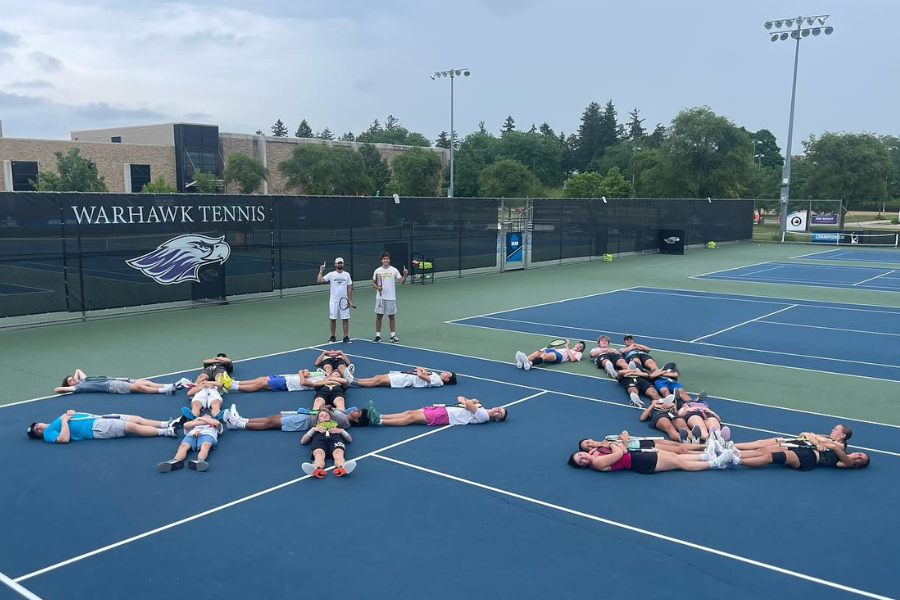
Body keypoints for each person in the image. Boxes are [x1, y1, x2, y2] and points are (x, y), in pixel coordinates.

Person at [568, 442, 730, 474]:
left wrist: (615, 446)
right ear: (583, 466)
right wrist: (613, 446)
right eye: (580, 460)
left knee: (674, 455)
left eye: (580, 455)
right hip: (639, 462)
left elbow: (621, 448)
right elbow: (619, 453)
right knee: (678, 462)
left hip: (637, 453)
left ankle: (705, 455)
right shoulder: (596, 462)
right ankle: (715, 463)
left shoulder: (596, 450)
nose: (582, 457)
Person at [27, 410, 178, 443]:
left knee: (136, 418)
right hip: (95, 427)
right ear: (39, 435)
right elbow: (63, 439)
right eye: (36, 431)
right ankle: (166, 431)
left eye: (36, 426)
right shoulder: (48, 434)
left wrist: (70, 413)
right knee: (131, 427)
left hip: (99, 417)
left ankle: (167, 423)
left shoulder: (54, 422)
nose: (38, 427)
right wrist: (65, 420)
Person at [729, 436, 869, 471]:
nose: (857, 456)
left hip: (808, 459)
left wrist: (821, 443)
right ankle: (732, 453)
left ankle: (735, 461)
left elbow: (835, 447)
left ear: (858, 464)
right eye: (860, 454)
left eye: (860, 458)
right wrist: (819, 442)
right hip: (804, 450)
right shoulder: (844, 454)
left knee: (768, 457)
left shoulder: (848, 463)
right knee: (763, 450)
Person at [222, 403, 369, 432]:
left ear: (356, 419)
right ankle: (241, 420)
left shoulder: (343, 420)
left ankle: (237, 424)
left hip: (304, 421)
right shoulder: (344, 415)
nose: (356, 410)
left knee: (270, 423)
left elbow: (324, 410)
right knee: (272, 417)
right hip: (305, 415)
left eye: (359, 413)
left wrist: (327, 408)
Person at [365, 396, 506, 426]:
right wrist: (468, 402)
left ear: (497, 418)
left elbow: (466, 401)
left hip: (445, 415)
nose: (499, 410)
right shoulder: (481, 408)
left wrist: (469, 402)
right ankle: (380, 415)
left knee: (411, 418)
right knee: (409, 412)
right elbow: (461, 398)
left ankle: (380, 421)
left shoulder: (484, 416)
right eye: (501, 409)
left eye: (500, 413)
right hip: (443, 409)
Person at [300, 407, 357, 478]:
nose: (324, 416)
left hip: (335, 440)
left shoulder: (337, 427)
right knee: (319, 454)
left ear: (330, 418)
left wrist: (342, 431)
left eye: (326, 415)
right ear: (318, 420)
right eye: (321, 415)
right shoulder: (315, 428)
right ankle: (316, 468)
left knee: (338, 453)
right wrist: (313, 430)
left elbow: (349, 439)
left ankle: (342, 467)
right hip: (319, 441)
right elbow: (303, 441)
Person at [157, 414, 224, 473]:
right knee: (183, 446)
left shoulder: (214, 425)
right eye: (203, 416)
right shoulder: (194, 425)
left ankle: (200, 461)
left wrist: (201, 418)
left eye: (208, 416)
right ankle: (176, 461)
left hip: (207, 435)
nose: (206, 415)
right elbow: (185, 425)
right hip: (192, 435)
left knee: (205, 445)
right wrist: (199, 421)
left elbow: (217, 423)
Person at [733, 424, 853, 452]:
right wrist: (815, 438)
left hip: (798, 447)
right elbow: (803, 433)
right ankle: (730, 446)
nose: (832, 430)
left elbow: (812, 437)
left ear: (843, 435)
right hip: (795, 440)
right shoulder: (826, 436)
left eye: (836, 429)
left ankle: (730, 454)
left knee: (764, 449)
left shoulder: (842, 446)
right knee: (760, 443)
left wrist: (813, 437)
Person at [372, 251, 408, 343]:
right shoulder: (377, 270)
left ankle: (392, 336)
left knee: (391, 317)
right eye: (384, 259)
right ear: (381, 260)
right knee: (379, 316)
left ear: (389, 260)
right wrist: (378, 288)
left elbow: (402, 282)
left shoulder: (394, 270)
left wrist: (405, 274)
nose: (386, 260)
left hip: (391, 297)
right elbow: (373, 282)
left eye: (387, 259)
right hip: (380, 298)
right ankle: (377, 336)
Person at [55, 369, 178, 395]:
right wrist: (71, 385)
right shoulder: (78, 388)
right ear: (69, 385)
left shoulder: (84, 379)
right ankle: (164, 390)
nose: (72, 380)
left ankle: (169, 386)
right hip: (112, 386)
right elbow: (58, 389)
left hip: (115, 379)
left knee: (143, 381)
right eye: (69, 381)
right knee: (140, 386)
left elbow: (77, 370)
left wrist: (75, 379)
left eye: (71, 378)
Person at [577, 430, 706, 455]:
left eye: (588, 442)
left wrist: (624, 439)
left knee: (677, 444)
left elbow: (624, 433)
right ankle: (705, 453)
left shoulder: (607, 438)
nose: (590, 444)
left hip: (642, 440)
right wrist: (624, 441)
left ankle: (706, 445)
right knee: (679, 451)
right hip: (642, 448)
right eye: (587, 447)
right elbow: (624, 450)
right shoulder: (603, 451)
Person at [317, 257, 353, 343]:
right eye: (338, 263)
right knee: (333, 319)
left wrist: (350, 300)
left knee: (345, 319)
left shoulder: (347, 275)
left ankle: (345, 336)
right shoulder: (331, 274)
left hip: (344, 301)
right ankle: (333, 336)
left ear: (343, 264)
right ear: (335, 264)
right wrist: (321, 270)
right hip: (333, 301)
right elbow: (319, 280)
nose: (339, 264)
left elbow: (349, 288)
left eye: (341, 263)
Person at [218, 368, 330, 393]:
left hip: (288, 384)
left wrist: (301, 373)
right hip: (285, 378)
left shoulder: (321, 382)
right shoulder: (320, 375)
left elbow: (303, 382)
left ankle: (230, 386)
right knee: (260, 379)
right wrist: (306, 372)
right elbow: (307, 373)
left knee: (260, 384)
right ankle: (233, 382)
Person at [348, 367, 457, 388]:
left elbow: (420, 375)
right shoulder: (436, 375)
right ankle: (355, 379)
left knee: (378, 381)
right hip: (405, 375)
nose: (446, 372)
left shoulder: (438, 381)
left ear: (447, 380)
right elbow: (423, 371)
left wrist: (420, 370)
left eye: (448, 374)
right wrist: (422, 370)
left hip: (406, 380)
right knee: (377, 377)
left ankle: (353, 381)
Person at [515, 340, 585, 371]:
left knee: (544, 356)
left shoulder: (579, 354)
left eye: (580, 347)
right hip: (554, 351)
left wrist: (567, 346)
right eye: (579, 344)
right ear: (576, 344)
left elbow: (572, 359)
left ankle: (530, 364)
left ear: (581, 350)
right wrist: (548, 348)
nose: (579, 346)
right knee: (537, 353)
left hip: (559, 356)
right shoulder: (568, 349)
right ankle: (522, 362)